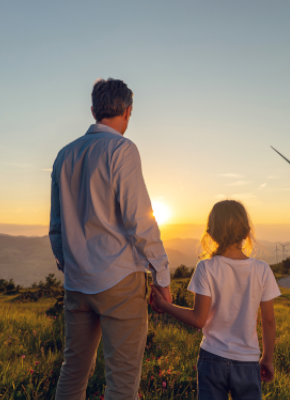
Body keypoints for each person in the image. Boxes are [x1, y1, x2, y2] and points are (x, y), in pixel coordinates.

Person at [49, 78, 172, 400]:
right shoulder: (122, 149)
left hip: (76, 282)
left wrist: (68, 262)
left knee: (73, 370)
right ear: (128, 111)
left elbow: (57, 225)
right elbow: (140, 220)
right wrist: (162, 274)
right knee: (121, 379)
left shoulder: (65, 154)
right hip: (119, 278)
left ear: (93, 110)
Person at [151, 200, 280, 400]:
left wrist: (165, 306)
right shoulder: (262, 270)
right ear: (247, 232)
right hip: (248, 362)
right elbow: (269, 321)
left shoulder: (206, 268)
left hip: (212, 359)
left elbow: (198, 320)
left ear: (210, 233)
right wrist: (267, 359)